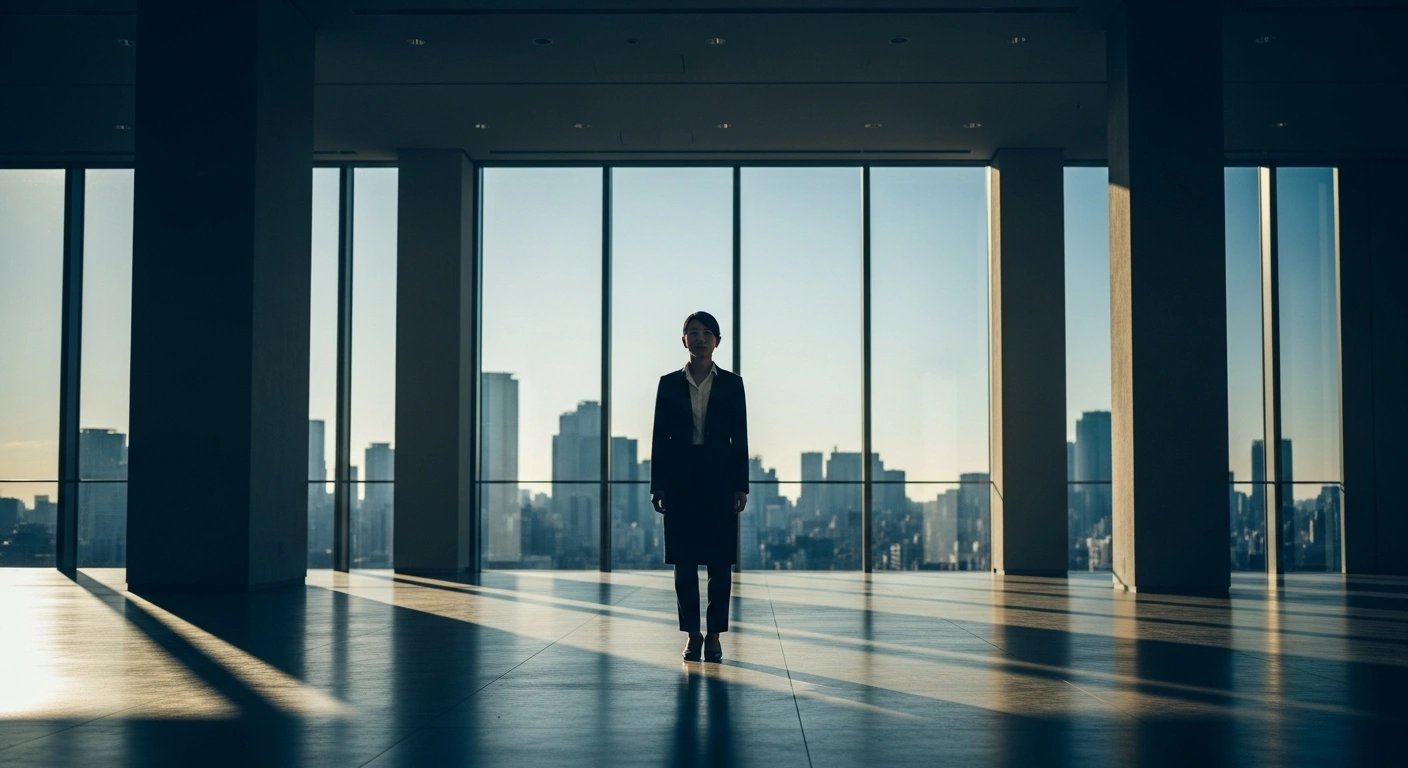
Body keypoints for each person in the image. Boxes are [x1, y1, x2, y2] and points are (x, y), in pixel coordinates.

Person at [651, 311, 749, 663]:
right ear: (684, 340)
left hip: (720, 480)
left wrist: (741, 484)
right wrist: (658, 484)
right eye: (692, 332)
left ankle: (716, 636)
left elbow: (740, 438)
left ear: (717, 341)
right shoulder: (668, 383)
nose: (700, 338)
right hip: (679, 480)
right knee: (684, 563)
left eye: (707, 332)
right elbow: (659, 437)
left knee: (720, 562)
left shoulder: (732, 384)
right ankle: (693, 634)